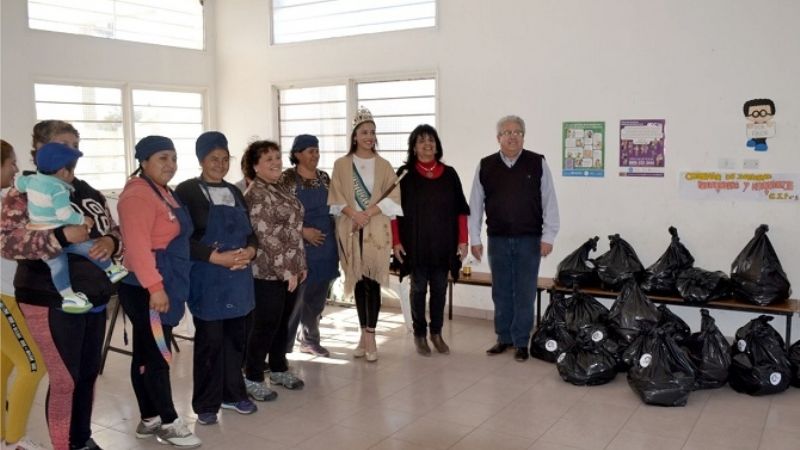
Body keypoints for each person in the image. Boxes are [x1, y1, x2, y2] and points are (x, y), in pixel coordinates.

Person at [1, 120, 120, 450]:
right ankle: (63, 445)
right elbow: (8, 243)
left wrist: (110, 242)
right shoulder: (23, 192)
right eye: (63, 145)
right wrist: (61, 236)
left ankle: (81, 439)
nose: (72, 152)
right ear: (40, 149)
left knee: (87, 374)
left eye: (75, 145)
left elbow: (112, 229)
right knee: (65, 379)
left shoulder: (87, 190)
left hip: (94, 296)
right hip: (49, 297)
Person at [116, 135, 201, 448]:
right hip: (146, 287)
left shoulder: (163, 191)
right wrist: (155, 288)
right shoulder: (137, 195)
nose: (170, 164)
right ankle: (169, 422)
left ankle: (149, 417)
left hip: (163, 281)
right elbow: (138, 247)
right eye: (163, 158)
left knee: (145, 352)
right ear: (144, 161)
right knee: (158, 355)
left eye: (174, 158)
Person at [175, 131, 258, 425]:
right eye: (213, 159)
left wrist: (250, 251)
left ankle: (233, 394)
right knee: (210, 342)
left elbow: (250, 233)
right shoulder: (186, 191)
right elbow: (180, 238)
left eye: (225, 159)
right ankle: (206, 403)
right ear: (201, 160)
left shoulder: (235, 191)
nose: (220, 164)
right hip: (208, 277)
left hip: (238, 278)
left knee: (236, 340)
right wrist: (216, 257)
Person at [468, 115, 560, 362]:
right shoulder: (486, 165)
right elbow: (475, 205)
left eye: (517, 132)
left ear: (523, 137)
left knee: (525, 292)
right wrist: (474, 238)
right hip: (497, 239)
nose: (512, 136)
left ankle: (521, 341)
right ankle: (504, 338)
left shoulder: (537, 163)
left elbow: (549, 201)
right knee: (501, 291)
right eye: (507, 132)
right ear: (498, 137)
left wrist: (549, 236)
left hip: (529, 239)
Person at [14, 142, 128, 313]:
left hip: (39, 230)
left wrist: (111, 240)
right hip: (46, 294)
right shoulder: (59, 189)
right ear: (63, 171)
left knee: (63, 262)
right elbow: (64, 214)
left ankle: (70, 295)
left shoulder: (32, 180)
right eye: (72, 171)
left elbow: (18, 183)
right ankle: (110, 269)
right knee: (86, 249)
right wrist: (83, 220)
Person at [328, 107, 402, 362]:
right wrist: (354, 214)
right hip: (351, 227)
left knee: (372, 282)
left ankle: (371, 335)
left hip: (375, 229)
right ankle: (363, 335)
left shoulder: (384, 165)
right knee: (359, 282)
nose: (369, 136)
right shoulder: (341, 165)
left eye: (372, 132)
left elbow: (394, 196)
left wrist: (368, 213)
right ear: (355, 136)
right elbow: (336, 196)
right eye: (364, 132)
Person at [392, 125, 469, 356]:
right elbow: (393, 212)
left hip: (443, 244)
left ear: (437, 145)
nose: (427, 144)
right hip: (415, 244)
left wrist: (463, 240)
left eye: (431, 140)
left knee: (439, 289)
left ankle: (436, 333)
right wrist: (396, 241)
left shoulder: (450, 174)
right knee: (417, 290)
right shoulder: (405, 174)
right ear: (414, 147)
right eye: (422, 140)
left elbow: (461, 210)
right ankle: (420, 334)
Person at [242, 140, 306, 399]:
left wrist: (300, 265)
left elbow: (294, 230)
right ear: (255, 166)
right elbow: (266, 237)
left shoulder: (280, 187)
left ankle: (279, 368)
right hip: (268, 272)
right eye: (268, 159)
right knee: (265, 325)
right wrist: (286, 270)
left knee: (283, 323)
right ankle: (253, 377)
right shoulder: (256, 193)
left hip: (290, 270)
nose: (276, 162)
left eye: (277, 157)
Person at [1, 139, 48, 450]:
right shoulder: (6, 205)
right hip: (2, 296)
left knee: (4, 365)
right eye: (11, 163)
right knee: (34, 365)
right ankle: (16, 440)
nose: (16, 169)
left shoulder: (5, 200)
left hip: (9, 293)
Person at [280, 135, 339, 358]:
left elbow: (335, 207)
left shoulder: (324, 177)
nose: (315, 155)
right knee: (296, 300)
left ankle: (310, 340)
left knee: (317, 299)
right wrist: (303, 231)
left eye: (317, 150)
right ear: (297, 154)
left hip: (326, 247)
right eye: (310, 151)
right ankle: (283, 349)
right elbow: (280, 214)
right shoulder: (287, 179)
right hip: (299, 248)